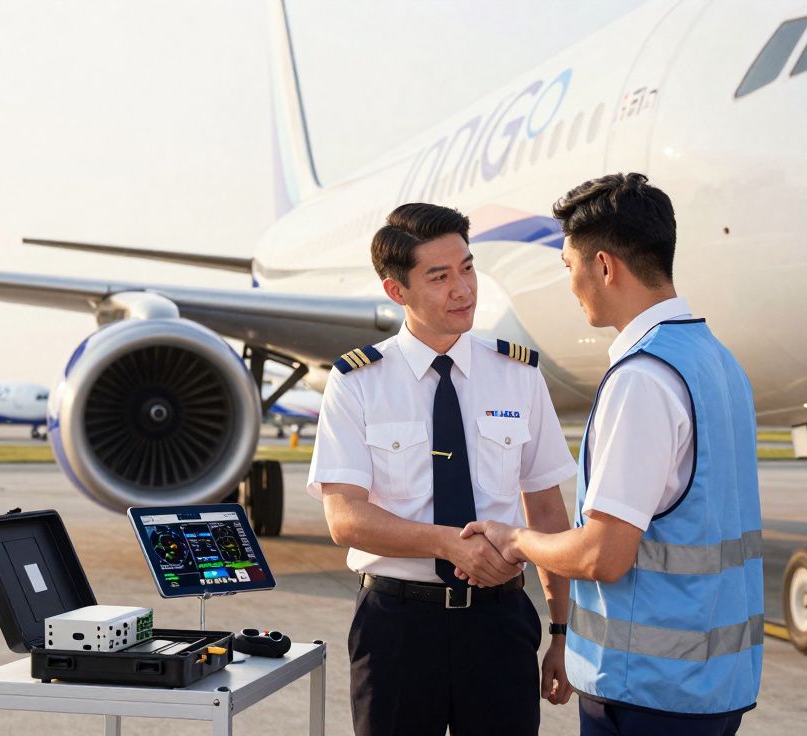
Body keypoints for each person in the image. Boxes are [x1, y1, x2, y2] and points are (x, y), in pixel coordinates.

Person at [462, 173, 763, 735]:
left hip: (647, 690)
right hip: (717, 685)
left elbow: (605, 556)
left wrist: (516, 539)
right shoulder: (718, 362)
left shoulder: (643, 379)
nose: (570, 284)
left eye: (568, 266)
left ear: (604, 266)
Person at [306, 202, 577, 736]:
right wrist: (451, 544)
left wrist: (565, 632)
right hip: (397, 627)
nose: (464, 289)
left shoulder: (518, 375)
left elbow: (546, 509)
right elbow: (346, 519)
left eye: (468, 268)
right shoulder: (358, 382)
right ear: (396, 291)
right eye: (440, 276)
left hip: (500, 623)